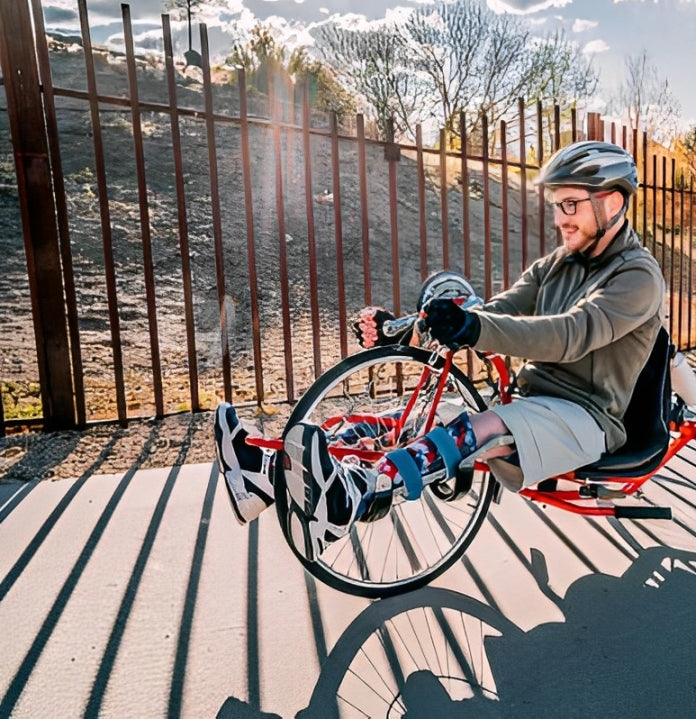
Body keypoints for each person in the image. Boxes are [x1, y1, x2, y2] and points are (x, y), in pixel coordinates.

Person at [215, 140, 666, 561]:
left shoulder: (638, 277)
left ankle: (356, 495)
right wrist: (408, 330)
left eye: (571, 205)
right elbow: (495, 312)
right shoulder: (558, 263)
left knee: (477, 428)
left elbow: (570, 334)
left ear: (611, 201)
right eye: (556, 206)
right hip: (532, 403)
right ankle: (265, 472)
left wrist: (474, 326)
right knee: (405, 422)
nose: (560, 218)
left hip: (586, 419)